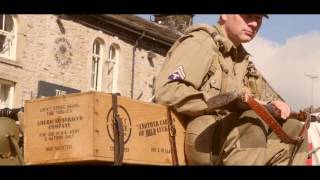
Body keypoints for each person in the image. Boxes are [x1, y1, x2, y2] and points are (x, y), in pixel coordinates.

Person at [155, 14, 308, 165]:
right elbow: (168, 91)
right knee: (251, 121)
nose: (254, 24)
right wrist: (222, 102)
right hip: (201, 138)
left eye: (258, 18)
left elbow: (259, 100)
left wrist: (273, 105)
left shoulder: (243, 60)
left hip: (237, 137)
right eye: (248, 16)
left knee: (295, 130)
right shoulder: (200, 43)